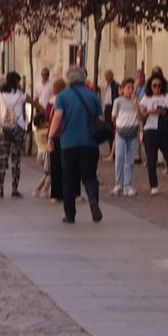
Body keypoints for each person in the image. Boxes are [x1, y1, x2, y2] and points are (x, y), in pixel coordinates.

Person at [49, 66, 105, 225]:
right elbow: (100, 119)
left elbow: (58, 117)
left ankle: (70, 214)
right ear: (83, 79)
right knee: (89, 176)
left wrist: (50, 137)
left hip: (69, 143)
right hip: (90, 143)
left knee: (69, 178)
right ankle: (93, 198)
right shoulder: (93, 96)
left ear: (68, 79)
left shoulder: (62, 96)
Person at [139, 75, 168, 195]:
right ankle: (154, 186)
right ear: (150, 86)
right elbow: (141, 116)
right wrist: (149, 111)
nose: (157, 88)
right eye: (154, 85)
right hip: (150, 130)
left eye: (159, 85)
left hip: (165, 130)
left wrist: (166, 110)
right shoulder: (146, 99)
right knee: (151, 160)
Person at [0, 72, 28, 199]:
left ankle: (0, 189)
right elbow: (33, 103)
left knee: (2, 159)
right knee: (16, 159)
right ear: (15, 82)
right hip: (18, 128)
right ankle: (14, 189)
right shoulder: (21, 95)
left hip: (2, 129)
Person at [111, 78, 141, 196]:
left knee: (130, 160)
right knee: (119, 157)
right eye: (128, 88)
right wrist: (118, 125)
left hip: (133, 133)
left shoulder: (136, 101)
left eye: (132, 88)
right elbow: (113, 117)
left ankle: (127, 185)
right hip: (121, 133)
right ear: (122, 89)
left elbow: (139, 116)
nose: (130, 90)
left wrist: (136, 103)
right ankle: (119, 183)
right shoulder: (118, 101)